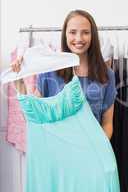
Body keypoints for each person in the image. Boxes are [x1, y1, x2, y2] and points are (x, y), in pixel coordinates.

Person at [11, 9, 117, 140]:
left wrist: (99, 151)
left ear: (93, 36)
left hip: (90, 153)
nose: (79, 38)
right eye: (73, 32)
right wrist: (19, 81)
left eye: (85, 32)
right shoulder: (49, 71)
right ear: (65, 35)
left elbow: (107, 124)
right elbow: (34, 115)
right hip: (56, 151)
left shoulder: (106, 75)